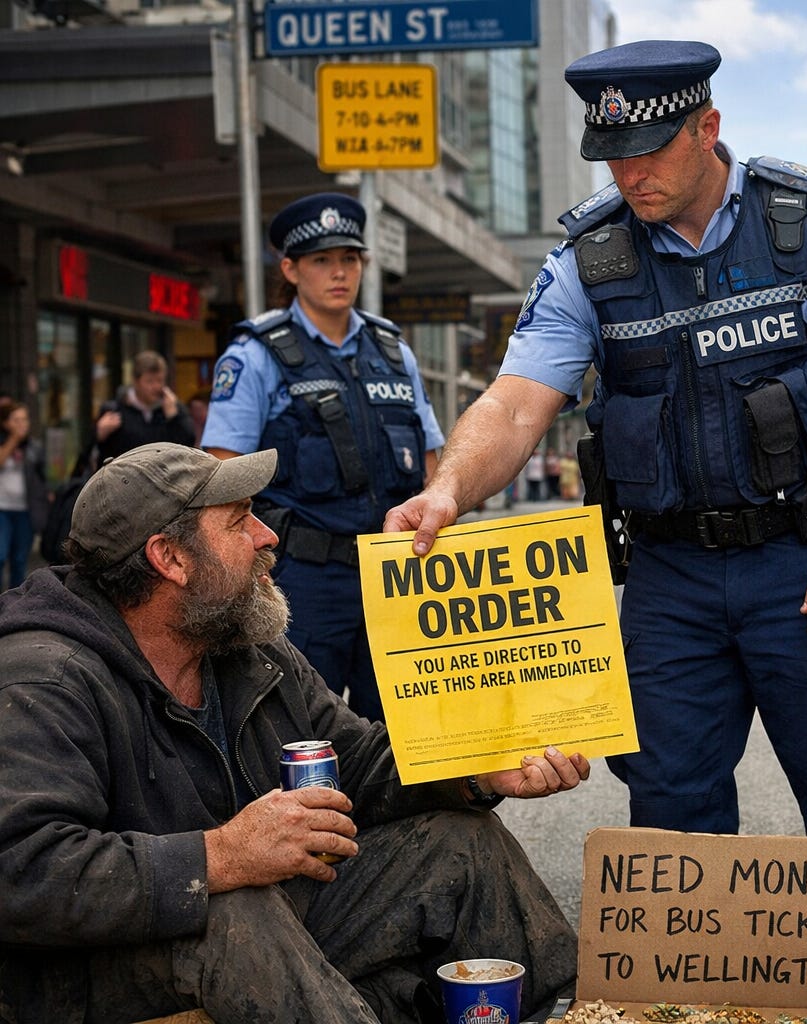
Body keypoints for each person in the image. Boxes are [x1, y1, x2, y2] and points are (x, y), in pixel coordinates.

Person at [385, 39, 807, 837]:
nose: (629, 174)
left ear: (707, 128)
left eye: (647, 151)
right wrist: (446, 490)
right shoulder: (588, 262)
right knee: (670, 809)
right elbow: (513, 405)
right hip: (669, 578)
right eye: (613, 156)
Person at [0, 443, 585, 1024]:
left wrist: (474, 766)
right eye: (239, 521)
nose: (267, 536)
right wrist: (220, 855)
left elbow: (356, 763)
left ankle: (579, 1012)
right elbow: (21, 870)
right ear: (170, 558)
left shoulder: (242, 646)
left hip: (266, 921)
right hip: (87, 974)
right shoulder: (45, 676)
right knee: (235, 910)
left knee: (459, 841)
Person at [201, 192, 445, 720]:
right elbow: (221, 477)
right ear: (290, 269)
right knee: (301, 729)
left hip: (400, 573)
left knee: (408, 729)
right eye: (322, 260)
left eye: (350, 259)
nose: (340, 272)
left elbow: (432, 465)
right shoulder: (256, 355)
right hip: (304, 580)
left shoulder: (393, 351)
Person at [94, 350, 196, 462]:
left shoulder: (173, 408)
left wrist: (174, 418)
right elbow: (98, 454)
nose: (156, 386)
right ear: (135, 381)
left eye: (160, 380)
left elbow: (189, 446)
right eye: (149, 381)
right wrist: (98, 434)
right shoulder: (115, 410)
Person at [0, 399, 47, 589]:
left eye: (24, 419)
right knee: (1, 555)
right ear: (5, 423)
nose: (22, 424)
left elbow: (41, 477)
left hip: (26, 510)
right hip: (2, 508)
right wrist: (13, 439)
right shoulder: (4, 443)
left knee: (20, 560)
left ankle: (14, 601)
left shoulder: (34, 447)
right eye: (16, 420)